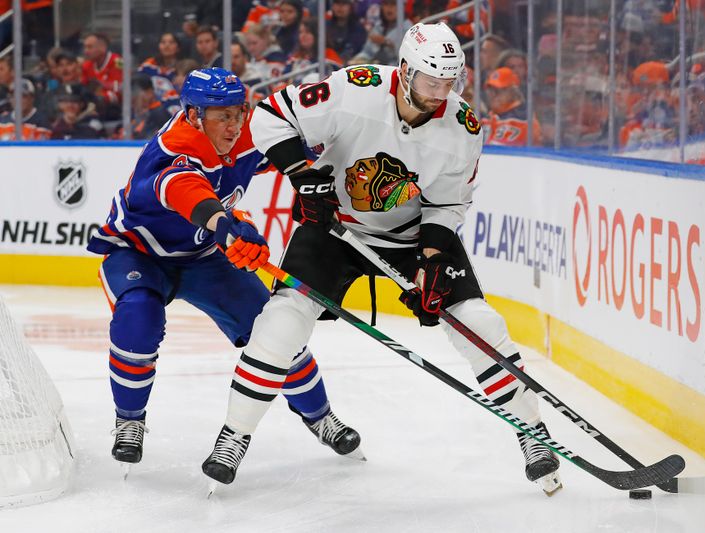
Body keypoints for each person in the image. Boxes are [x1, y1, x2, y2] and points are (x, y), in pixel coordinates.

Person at [202, 22, 563, 495]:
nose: (440, 93)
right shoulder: (354, 89)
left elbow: (449, 202)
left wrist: (432, 259)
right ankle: (235, 435)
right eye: (432, 81)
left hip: (412, 237)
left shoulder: (462, 126)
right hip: (335, 227)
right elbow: (270, 116)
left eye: (449, 82)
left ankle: (533, 435)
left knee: (480, 322)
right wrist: (302, 173)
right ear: (406, 71)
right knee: (281, 322)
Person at [85, 68, 361, 471]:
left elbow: (293, 148)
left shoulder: (245, 132)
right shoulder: (173, 148)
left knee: (276, 332)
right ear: (195, 116)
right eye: (222, 116)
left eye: (238, 113)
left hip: (204, 257)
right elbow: (188, 192)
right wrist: (229, 225)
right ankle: (129, 420)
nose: (233, 125)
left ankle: (321, 417)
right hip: (140, 253)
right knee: (138, 318)